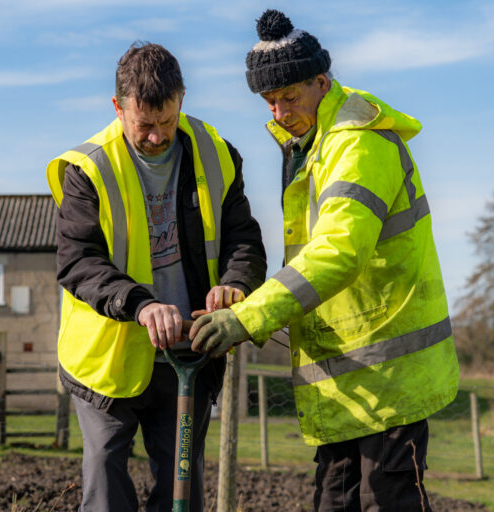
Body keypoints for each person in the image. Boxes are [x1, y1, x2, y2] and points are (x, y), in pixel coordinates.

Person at [190, 9, 459, 511]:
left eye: (289, 96)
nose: (278, 112)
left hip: (389, 380)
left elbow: (338, 252)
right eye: (269, 100)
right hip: (345, 384)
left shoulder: (356, 141)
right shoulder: (311, 145)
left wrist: (247, 318)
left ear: (321, 80)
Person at [46, 42, 266, 512]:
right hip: (108, 358)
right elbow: (78, 261)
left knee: (182, 492)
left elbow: (242, 239)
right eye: (144, 125)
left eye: (167, 121)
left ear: (182, 99)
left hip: (189, 348)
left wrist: (236, 284)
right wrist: (142, 304)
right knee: (106, 485)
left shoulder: (216, 154)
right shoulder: (88, 170)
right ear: (118, 107)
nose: (156, 137)